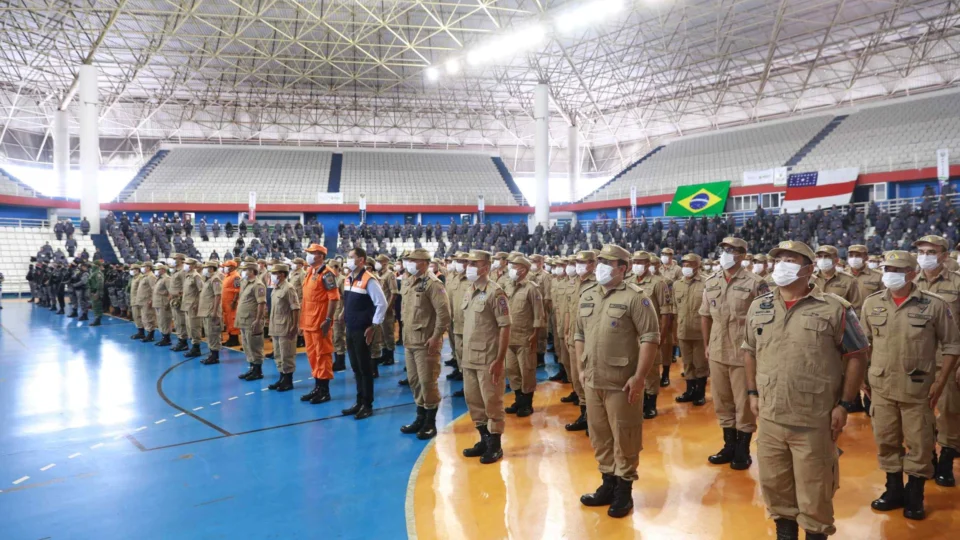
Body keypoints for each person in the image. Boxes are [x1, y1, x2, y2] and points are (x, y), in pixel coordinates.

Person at [744, 241, 870, 540]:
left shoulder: (835, 308)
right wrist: (752, 393)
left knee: (815, 491)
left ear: (808, 269)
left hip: (814, 418)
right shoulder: (759, 306)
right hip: (771, 415)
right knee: (775, 484)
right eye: (779, 260)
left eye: (790, 260)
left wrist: (845, 404)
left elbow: (858, 354)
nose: (781, 265)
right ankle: (785, 532)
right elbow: (749, 350)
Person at [861, 250, 960, 521]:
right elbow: (862, 344)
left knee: (920, 442)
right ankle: (893, 490)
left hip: (917, 388)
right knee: (886, 439)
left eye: (897, 270)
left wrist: (940, 382)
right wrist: (863, 379)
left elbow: (952, 345)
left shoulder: (935, 305)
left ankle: (915, 494)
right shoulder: (872, 303)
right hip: (882, 386)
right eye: (887, 269)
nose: (890, 274)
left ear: (912, 274)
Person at [576, 244, 660, 519]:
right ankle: (608, 484)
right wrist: (580, 367)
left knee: (625, 436)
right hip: (593, 380)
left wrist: (639, 377)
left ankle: (624, 490)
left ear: (622, 268)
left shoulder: (636, 297)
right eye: (599, 261)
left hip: (621, 383)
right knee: (600, 435)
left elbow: (650, 337)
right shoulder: (588, 295)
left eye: (607, 263)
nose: (600, 266)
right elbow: (578, 334)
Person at [699, 236, 768, 470]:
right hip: (717, 351)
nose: (726, 254)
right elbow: (705, 315)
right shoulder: (711, 281)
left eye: (732, 250)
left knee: (744, 403)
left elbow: (764, 320)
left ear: (742, 255)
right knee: (722, 401)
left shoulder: (756, 283)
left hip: (743, 353)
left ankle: (743, 448)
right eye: (724, 249)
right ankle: (728, 445)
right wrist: (707, 345)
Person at [912, 235, 960, 487]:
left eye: (931, 252)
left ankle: (946, 459)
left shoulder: (957, 283)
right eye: (921, 251)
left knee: (950, 412)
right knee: (918, 412)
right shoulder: (910, 281)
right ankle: (927, 456)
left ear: (944, 255)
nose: (925, 256)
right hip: (915, 360)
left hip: (948, 359)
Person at [459, 250, 511, 464]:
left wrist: (499, 360)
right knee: (473, 400)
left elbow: (505, 326)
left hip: (488, 359)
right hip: (469, 357)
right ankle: (484, 438)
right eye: (468, 263)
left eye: (474, 264)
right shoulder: (469, 289)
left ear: (486, 268)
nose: (469, 267)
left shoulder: (495, 293)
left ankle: (495, 444)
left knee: (492, 402)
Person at [398, 248, 451, 439]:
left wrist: (436, 337)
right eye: (408, 260)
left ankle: (430, 422)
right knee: (414, 381)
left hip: (426, 342)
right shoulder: (409, 281)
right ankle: (420, 417)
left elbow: (444, 315)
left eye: (413, 260)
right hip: (410, 340)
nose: (409, 263)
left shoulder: (433, 284)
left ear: (424, 263)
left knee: (427, 382)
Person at [340, 247, 389, 420]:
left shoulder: (369, 279)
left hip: (362, 329)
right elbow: (349, 301)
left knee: (364, 367)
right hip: (350, 327)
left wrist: (374, 325)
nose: (348, 259)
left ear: (361, 260)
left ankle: (367, 404)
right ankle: (359, 401)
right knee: (355, 366)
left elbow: (382, 304)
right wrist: (343, 314)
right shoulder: (348, 278)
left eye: (351, 257)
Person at [629, 251, 672, 419]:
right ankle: (637, 402)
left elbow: (665, 312)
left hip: (649, 332)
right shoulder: (628, 281)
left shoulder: (658, 283)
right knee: (633, 368)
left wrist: (661, 337)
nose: (636, 265)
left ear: (648, 264)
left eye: (640, 262)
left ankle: (651, 403)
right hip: (631, 334)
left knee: (651, 370)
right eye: (634, 261)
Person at [502, 254, 545, 418]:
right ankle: (518, 400)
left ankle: (527, 404)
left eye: (514, 266)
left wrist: (535, 335)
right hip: (509, 338)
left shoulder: (531, 288)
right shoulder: (508, 286)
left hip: (525, 338)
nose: (511, 269)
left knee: (526, 371)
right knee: (512, 370)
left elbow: (539, 314)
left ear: (523, 270)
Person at [299, 244, 340, 404]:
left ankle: (324, 390)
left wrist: (328, 319)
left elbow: (334, 298)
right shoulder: (310, 272)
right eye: (308, 252)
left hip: (320, 322)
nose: (308, 255)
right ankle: (317, 386)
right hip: (308, 321)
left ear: (321, 256)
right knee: (312, 355)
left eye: (312, 253)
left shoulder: (326, 274)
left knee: (322, 355)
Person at [564, 251, 598, 432]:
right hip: (574, 338)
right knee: (577, 378)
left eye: (582, 262)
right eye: (577, 261)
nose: (578, 265)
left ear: (592, 264)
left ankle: (594, 418)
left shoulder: (598, 283)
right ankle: (584, 414)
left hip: (590, 338)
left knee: (590, 378)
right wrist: (566, 330)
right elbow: (569, 309)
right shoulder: (572, 282)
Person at [672, 253, 708, 406]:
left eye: (690, 264)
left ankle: (700, 393)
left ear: (697, 266)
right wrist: (674, 332)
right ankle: (689, 391)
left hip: (700, 333)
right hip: (683, 331)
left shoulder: (706, 283)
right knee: (687, 363)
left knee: (700, 364)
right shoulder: (677, 284)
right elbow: (675, 309)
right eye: (684, 264)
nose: (686, 267)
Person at [266, 263, 301, 391]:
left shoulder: (288, 288)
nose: (272, 275)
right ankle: (281, 378)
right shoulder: (276, 288)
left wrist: (294, 325)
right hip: (275, 326)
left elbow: (295, 308)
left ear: (281, 274)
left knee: (287, 354)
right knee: (278, 354)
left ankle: (288, 381)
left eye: (274, 273)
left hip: (286, 326)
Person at [236, 261, 268, 381]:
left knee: (255, 345)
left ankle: (258, 371)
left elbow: (261, 303)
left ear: (251, 271)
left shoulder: (258, 284)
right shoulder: (245, 282)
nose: (243, 271)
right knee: (246, 345)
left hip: (252, 320)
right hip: (243, 319)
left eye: (245, 269)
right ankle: (252, 368)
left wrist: (258, 320)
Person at [813, 246, 863, 311]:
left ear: (836, 260)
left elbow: (856, 306)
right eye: (820, 257)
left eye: (827, 256)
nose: (823, 259)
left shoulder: (849, 280)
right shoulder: (810, 279)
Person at [198, 260, 224, 365]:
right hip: (206, 311)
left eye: (206, 267)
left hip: (211, 311)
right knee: (209, 333)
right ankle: (212, 354)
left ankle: (215, 356)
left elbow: (218, 296)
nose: (204, 269)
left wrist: (214, 311)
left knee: (213, 333)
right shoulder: (207, 279)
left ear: (212, 269)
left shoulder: (215, 279)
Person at [375, 254, 398, 365]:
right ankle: (384, 355)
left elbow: (394, 293)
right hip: (379, 309)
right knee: (381, 333)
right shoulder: (378, 275)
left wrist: (388, 308)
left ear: (384, 262)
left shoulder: (390, 275)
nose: (377, 263)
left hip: (386, 310)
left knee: (388, 333)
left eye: (379, 261)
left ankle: (390, 356)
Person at [181, 258, 205, 358]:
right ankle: (193, 346)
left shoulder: (196, 276)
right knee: (189, 326)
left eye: (188, 264)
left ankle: (196, 348)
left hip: (193, 306)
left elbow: (201, 291)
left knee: (195, 327)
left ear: (192, 266)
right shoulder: (188, 276)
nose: (185, 265)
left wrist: (197, 304)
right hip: (187, 305)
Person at [169, 254, 189, 351]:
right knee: (176, 321)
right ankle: (180, 340)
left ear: (181, 260)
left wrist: (180, 296)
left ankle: (183, 342)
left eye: (175, 259)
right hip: (174, 300)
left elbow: (186, 286)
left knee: (181, 321)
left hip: (179, 300)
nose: (173, 260)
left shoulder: (183, 271)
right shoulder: (175, 271)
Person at [152, 262, 174, 346]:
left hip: (163, 303)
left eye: (158, 269)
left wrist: (167, 303)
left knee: (165, 321)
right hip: (157, 302)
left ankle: (167, 339)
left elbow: (170, 292)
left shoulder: (167, 279)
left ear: (163, 270)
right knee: (160, 321)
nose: (156, 270)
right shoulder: (159, 278)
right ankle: (164, 337)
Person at [221, 260, 242, 347]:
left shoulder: (236, 277)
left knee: (232, 320)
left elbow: (238, 290)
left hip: (231, 302)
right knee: (227, 320)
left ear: (232, 267)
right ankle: (230, 338)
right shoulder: (227, 276)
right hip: (225, 302)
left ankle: (234, 339)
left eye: (227, 266)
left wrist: (234, 301)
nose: (225, 268)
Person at [136, 261, 158, 342]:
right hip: (142, 301)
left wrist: (151, 300)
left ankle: (150, 335)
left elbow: (154, 289)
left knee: (149, 318)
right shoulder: (144, 276)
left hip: (147, 301)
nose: (142, 268)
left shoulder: (151, 276)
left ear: (148, 267)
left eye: (143, 266)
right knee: (144, 318)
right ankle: (147, 333)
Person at [129, 264, 144, 339]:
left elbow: (142, 290)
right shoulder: (134, 278)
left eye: (132, 269)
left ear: (137, 270)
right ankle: (140, 331)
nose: (131, 271)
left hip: (138, 301)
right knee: (135, 316)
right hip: (133, 300)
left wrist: (139, 300)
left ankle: (141, 333)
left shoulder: (140, 277)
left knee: (138, 316)